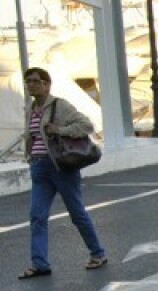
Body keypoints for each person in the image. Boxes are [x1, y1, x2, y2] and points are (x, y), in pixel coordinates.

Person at [19, 67, 107, 279]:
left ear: (46, 84)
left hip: (60, 167)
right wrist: (30, 155)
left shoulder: (59, 105)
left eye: (35, 81)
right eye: (27, 81)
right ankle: (40, 264)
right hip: (39, 168)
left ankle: (98, 253)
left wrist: (60, 130)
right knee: (37, 216)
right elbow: (32, 137)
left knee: (77, 213)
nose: (31, 85)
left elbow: (86, 124)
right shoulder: (31, 109)